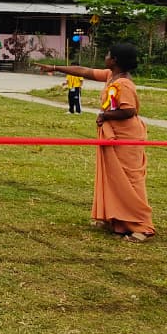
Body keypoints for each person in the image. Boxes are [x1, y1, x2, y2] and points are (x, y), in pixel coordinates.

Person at [38, 44, 155, 242]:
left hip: (127, 137)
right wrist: (56, 68)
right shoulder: (112, 76)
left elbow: (129, 110)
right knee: (114, 177)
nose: (105, 56)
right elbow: (83, 71)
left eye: (108, 54)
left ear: (115, 60)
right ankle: (118, 219)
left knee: (130, 180)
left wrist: (105, 115)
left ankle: (142, 226)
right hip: (114, 135)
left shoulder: (124, 84)